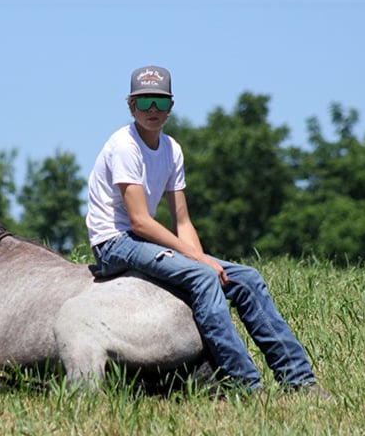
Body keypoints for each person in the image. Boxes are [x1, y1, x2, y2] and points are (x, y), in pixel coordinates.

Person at [85, 65, 329, 398]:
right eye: (143, 103)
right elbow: (139, 220)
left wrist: (200, 259)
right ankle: (246, 387)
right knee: (202, 277)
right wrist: (200, 263)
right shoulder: (125, 146)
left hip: (143, 239)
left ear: (171, 106)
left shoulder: (172, 150)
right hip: (115, 243)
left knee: (247, 278)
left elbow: (182, 222)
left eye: (159, 101)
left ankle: (299, 381)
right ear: (131, 106)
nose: (152, 110)